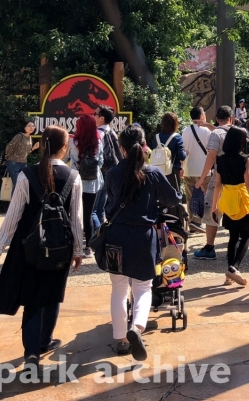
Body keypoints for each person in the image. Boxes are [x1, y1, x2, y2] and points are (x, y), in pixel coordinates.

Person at [0, 126, 84, 374]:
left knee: (31, 299)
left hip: (28, 248)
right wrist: (78, 250)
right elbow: (77, 220)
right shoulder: (74, 178)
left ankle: (31, 352)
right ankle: (44, 341)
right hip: (59, 247)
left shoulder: (26, 175)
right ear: (64, 148)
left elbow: (13, 215)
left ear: (42, 146)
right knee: (52, 295)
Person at [102, 124, 181, 360]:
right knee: (143, 287)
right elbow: (172, 198)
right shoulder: (153, 173)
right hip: (143, 237)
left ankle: (121, 341)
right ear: (144, 144)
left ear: (121, 148)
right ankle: (136, 327)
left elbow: (108, 206)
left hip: (116, 236)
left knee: (118, 289)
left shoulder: (112, 174)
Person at [212, 125, 249, 286]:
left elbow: (217, 184)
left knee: (233, 236)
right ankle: (234, 267)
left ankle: (229, 273)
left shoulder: (220, 159)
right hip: (242, 198)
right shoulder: (245, 159)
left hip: (227, 198)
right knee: (247, 234)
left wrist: (214, 206)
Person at [193, 106, 236, 260]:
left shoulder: (216, 134)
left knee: (211, 209)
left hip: (220, 177)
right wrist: (206, 126)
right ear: (231, 118)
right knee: (235, 209)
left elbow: (211, 157)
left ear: (217, 119)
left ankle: (210, 247)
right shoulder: (240, 132)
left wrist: (202, 178)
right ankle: (236, 244)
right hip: (239, 178)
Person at [70, 114, 103, 255]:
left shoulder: (73, 142)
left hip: (75, 180)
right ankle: (89, 247)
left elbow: (66, 157)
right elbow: (101, 162)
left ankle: (73, 244)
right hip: (93, 182)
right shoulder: (98, 141)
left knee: (74, 213)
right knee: (88, 214)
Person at [181, 106, 213, 222]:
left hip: (189, 169)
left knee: (190, 197)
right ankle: (205, 220)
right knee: (206, 197)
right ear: (201, 116)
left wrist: (182, 167)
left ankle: (193, 220)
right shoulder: (207, 131)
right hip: (204, 170)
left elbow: (183, 151)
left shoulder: (185, 130)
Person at [154, 113, 186, 190]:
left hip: (158, 171)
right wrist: (186, 153)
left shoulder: (156, 137)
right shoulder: (177, 137)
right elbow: (182, 156)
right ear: (175, 124)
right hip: (172, 171)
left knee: (160, 196)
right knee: (174, 196)